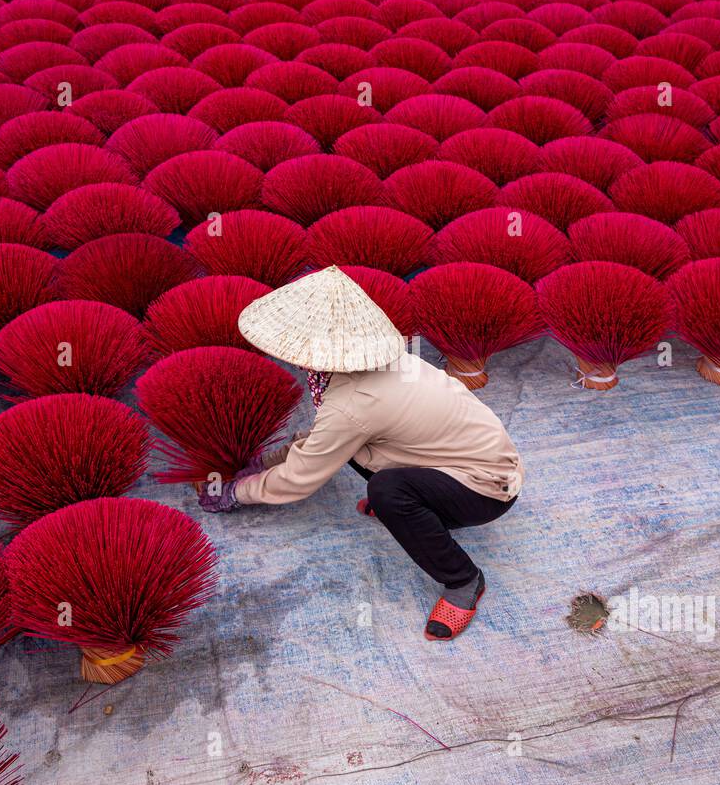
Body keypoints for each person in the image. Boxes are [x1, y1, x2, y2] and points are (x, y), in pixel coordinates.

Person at [199, 266, 522, 641]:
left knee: (388, 492)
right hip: (459, 460)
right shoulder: (378, 366)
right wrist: (268, 460)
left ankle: (464, 579)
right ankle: (419, 511)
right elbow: (328, 435)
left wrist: (237, 492)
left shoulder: (353, 404)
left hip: (486, 488)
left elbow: (301, 477)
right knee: (362, 460)